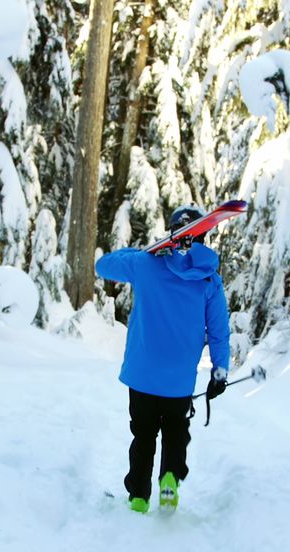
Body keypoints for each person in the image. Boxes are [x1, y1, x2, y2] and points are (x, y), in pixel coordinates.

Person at [95, 204, 231, 514]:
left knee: (142, 436)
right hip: (179, 379)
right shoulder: (209, 280)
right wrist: (219, 372)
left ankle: (139, 496)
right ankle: (169, 480)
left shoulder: (145, 265)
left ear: (172, 233)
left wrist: (142, 253)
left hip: (142, 375)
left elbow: (104, 266)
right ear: (204, 235)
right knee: (175, 434)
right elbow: (220, 331)